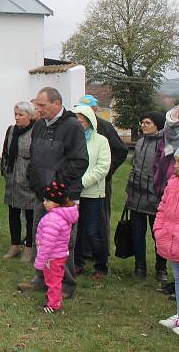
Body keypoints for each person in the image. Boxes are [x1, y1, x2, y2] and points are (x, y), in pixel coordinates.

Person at [17, 87, 88, 298]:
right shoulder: (39, 125)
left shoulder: (72, 127)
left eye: (42, 105)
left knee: (62, 242)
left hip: (62, 198)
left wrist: (57, 188)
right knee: (41, 236)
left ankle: (65, 285)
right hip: (42, 194)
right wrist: (35, 181)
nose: (38, 109)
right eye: (37, 105)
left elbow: (79, 162)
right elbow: (34, 157)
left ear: (57, 104)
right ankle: (41, 278)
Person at [76, 94, 128, 259]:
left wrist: (107, 171)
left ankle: (99, 254)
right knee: (79, 221)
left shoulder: (105, 127)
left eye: (89, 108)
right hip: (78, 184)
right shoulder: (76, 129)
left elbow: (121, 150)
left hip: (100, 182)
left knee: (99, 220)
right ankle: (82, 253)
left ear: (95, 109)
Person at [125, 111, 168, 282]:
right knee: (137, 233)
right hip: (136, 194)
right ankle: (140, 266)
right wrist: (129, 190)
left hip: (156, 197)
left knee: (157, 234)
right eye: (142, 122)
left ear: (157, 125)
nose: (143, 125)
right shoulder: (140, 142)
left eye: (148, 122)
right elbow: (134, 166)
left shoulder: (166, 144)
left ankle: (161, 268)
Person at [72, 104, 111, 279]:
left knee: (93, 231)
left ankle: (101, 265)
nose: (79, 124)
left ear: (89, 122)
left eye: (82, 121)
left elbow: (102, 168)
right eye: (77, 121)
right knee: (76, 231)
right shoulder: (72, 140)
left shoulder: (101, 141)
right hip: (74, 193)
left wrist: (82, 182)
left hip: (92, 193)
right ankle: (77, 262)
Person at [0, 101, 38, 262]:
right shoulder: (11, 131)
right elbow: (5, 152)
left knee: (30, 215)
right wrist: (5, 170)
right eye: (15, 114)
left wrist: (31, 176)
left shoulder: (35, 132)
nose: (17, 118)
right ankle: (14, 245)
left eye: (20, 115)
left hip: (27, 181)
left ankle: (29, 247)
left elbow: (37, 157)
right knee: (13, 213)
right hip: (12, 180)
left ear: (29, 116)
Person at [34, 181, 79, 314]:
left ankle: (53, 305)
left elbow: (47, 244)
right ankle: (54, 299)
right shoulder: (62, 216)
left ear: (57, 203)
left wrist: (40, 261)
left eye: (47, 200)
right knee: (56, 279)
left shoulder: (52, 220)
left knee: (53, 281)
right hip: (58, 255)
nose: (44, 203)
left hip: (51, 256)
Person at [154, 150, 179, 335]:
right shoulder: (173, 183)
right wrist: (159, 228)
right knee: (177, 278)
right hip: (170, 237)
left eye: (178, 162)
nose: (175, 165)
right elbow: (162, 207)